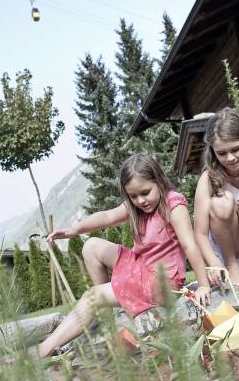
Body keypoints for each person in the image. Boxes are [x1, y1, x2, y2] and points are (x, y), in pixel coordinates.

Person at [38, 153, 211, 357]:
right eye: (133, 196)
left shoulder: (173, 205)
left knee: (91, 296)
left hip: (162, 282)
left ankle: (43, 350)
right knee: (91, 246)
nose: (140, 200)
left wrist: (204, 284)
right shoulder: (136, 207)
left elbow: (190, 245)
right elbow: (107, 216)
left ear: (159, 180)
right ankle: (106, 317)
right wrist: (74, 230)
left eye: (145, 192)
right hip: (142, 267)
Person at [194, 108, 239, 289]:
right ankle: (232, 265)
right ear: (213, 151)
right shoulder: (208, 179)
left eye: (235, 149)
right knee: (221, 202)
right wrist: (214, 262)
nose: (230, 158)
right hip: (229, 251)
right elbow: (200, 233)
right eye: (222, 153)